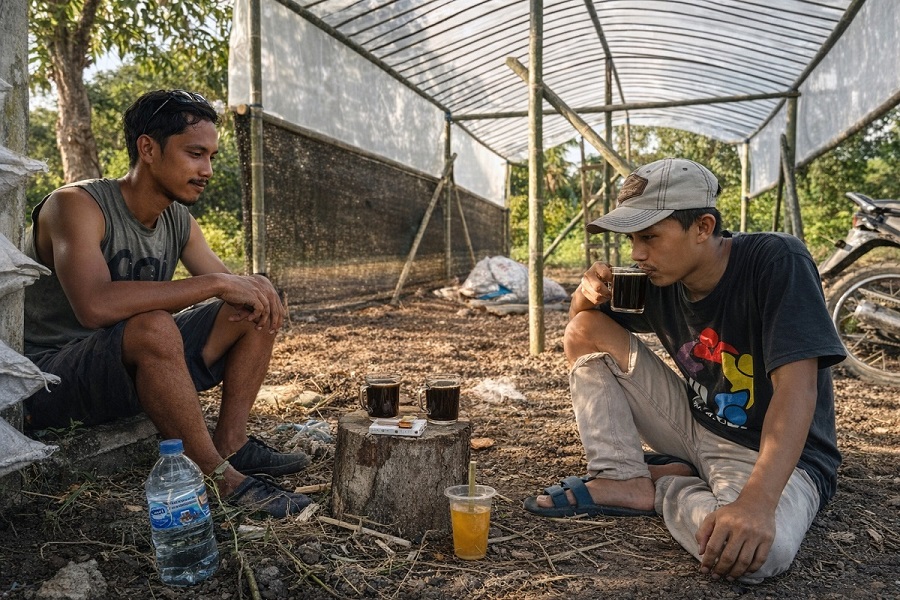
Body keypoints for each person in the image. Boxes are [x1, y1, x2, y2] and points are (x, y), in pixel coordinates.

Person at [523, 158, 846, 583]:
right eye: (633, 239)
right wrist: (585, 295)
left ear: (703, 227)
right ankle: (622, 476)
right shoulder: (657, 279)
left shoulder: (776, 262)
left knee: (755, 556)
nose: (637, 254)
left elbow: (797, 390)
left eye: (650, 237)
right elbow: (583, 332)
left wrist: (757, 502)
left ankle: (666, 487)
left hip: (773, 454)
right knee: (585, 328)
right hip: (694, 425)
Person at [22, 89, 312, 518]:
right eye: (195, 154)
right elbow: (95, 307)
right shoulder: (76, 205)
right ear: (148, 148)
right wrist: (215, 283)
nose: (207, 170)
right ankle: (221, 481)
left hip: (129, 366)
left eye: (211, 156)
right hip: (49, 379)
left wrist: (251, 290)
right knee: (154, 326)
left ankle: (231, 442)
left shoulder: (178, 219)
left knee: (254, 302)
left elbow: (235, 290)